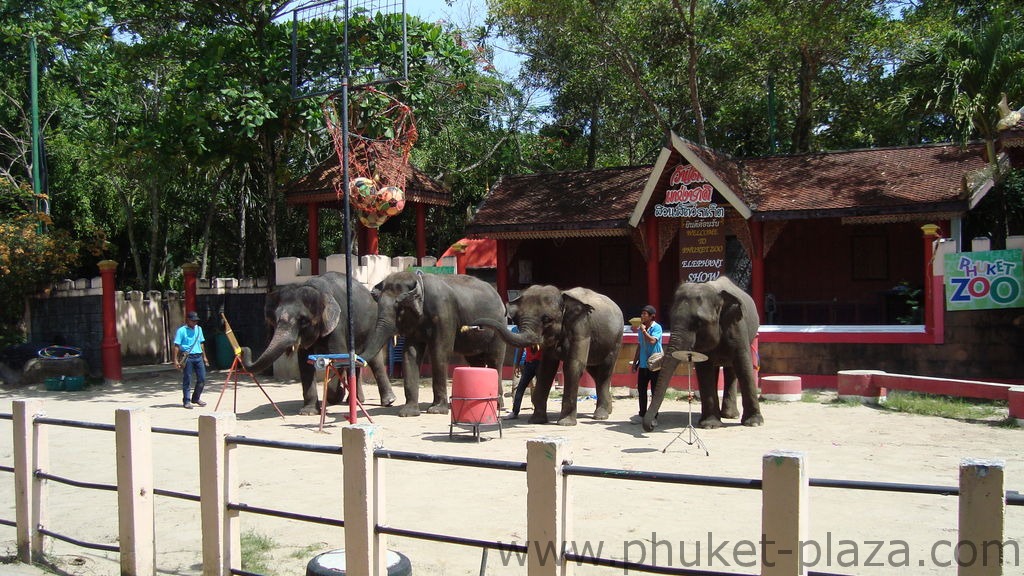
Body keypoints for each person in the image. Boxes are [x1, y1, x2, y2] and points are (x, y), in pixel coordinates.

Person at [631, 304, 663, 419]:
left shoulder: (657, 327)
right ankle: (642, 413)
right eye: (642, 313)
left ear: (651, 316)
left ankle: (653, 414)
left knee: (655, 391)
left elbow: (653, 341)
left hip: (655, 365)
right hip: (644, 364)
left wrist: (644, 331)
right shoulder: (641, 328)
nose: (642, 316)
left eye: (645, 314)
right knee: (642, 390)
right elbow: (640, 346)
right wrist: (635, 363)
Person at [174, 310, 210, 409]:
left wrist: (204, 357)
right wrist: (176, 360)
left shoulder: (199, 329)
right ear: (188, 320)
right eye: (193, 321)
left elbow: (201, 343)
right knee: (187, 379)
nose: (195, 323)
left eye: (196, 321)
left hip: (198, 356)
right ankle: (186, 400)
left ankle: (196, 398)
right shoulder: (181, 331)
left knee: (202, 379)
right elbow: (177, 345)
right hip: (187, 357)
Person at [506, 344, 542, 420]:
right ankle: (515, 412)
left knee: (539, 388)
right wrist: (517, 365)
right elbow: (520, 349)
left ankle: (539, 410)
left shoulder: (539, 337)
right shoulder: (527, 337)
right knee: (520, 388)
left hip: (540, 363)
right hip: (529, 364)